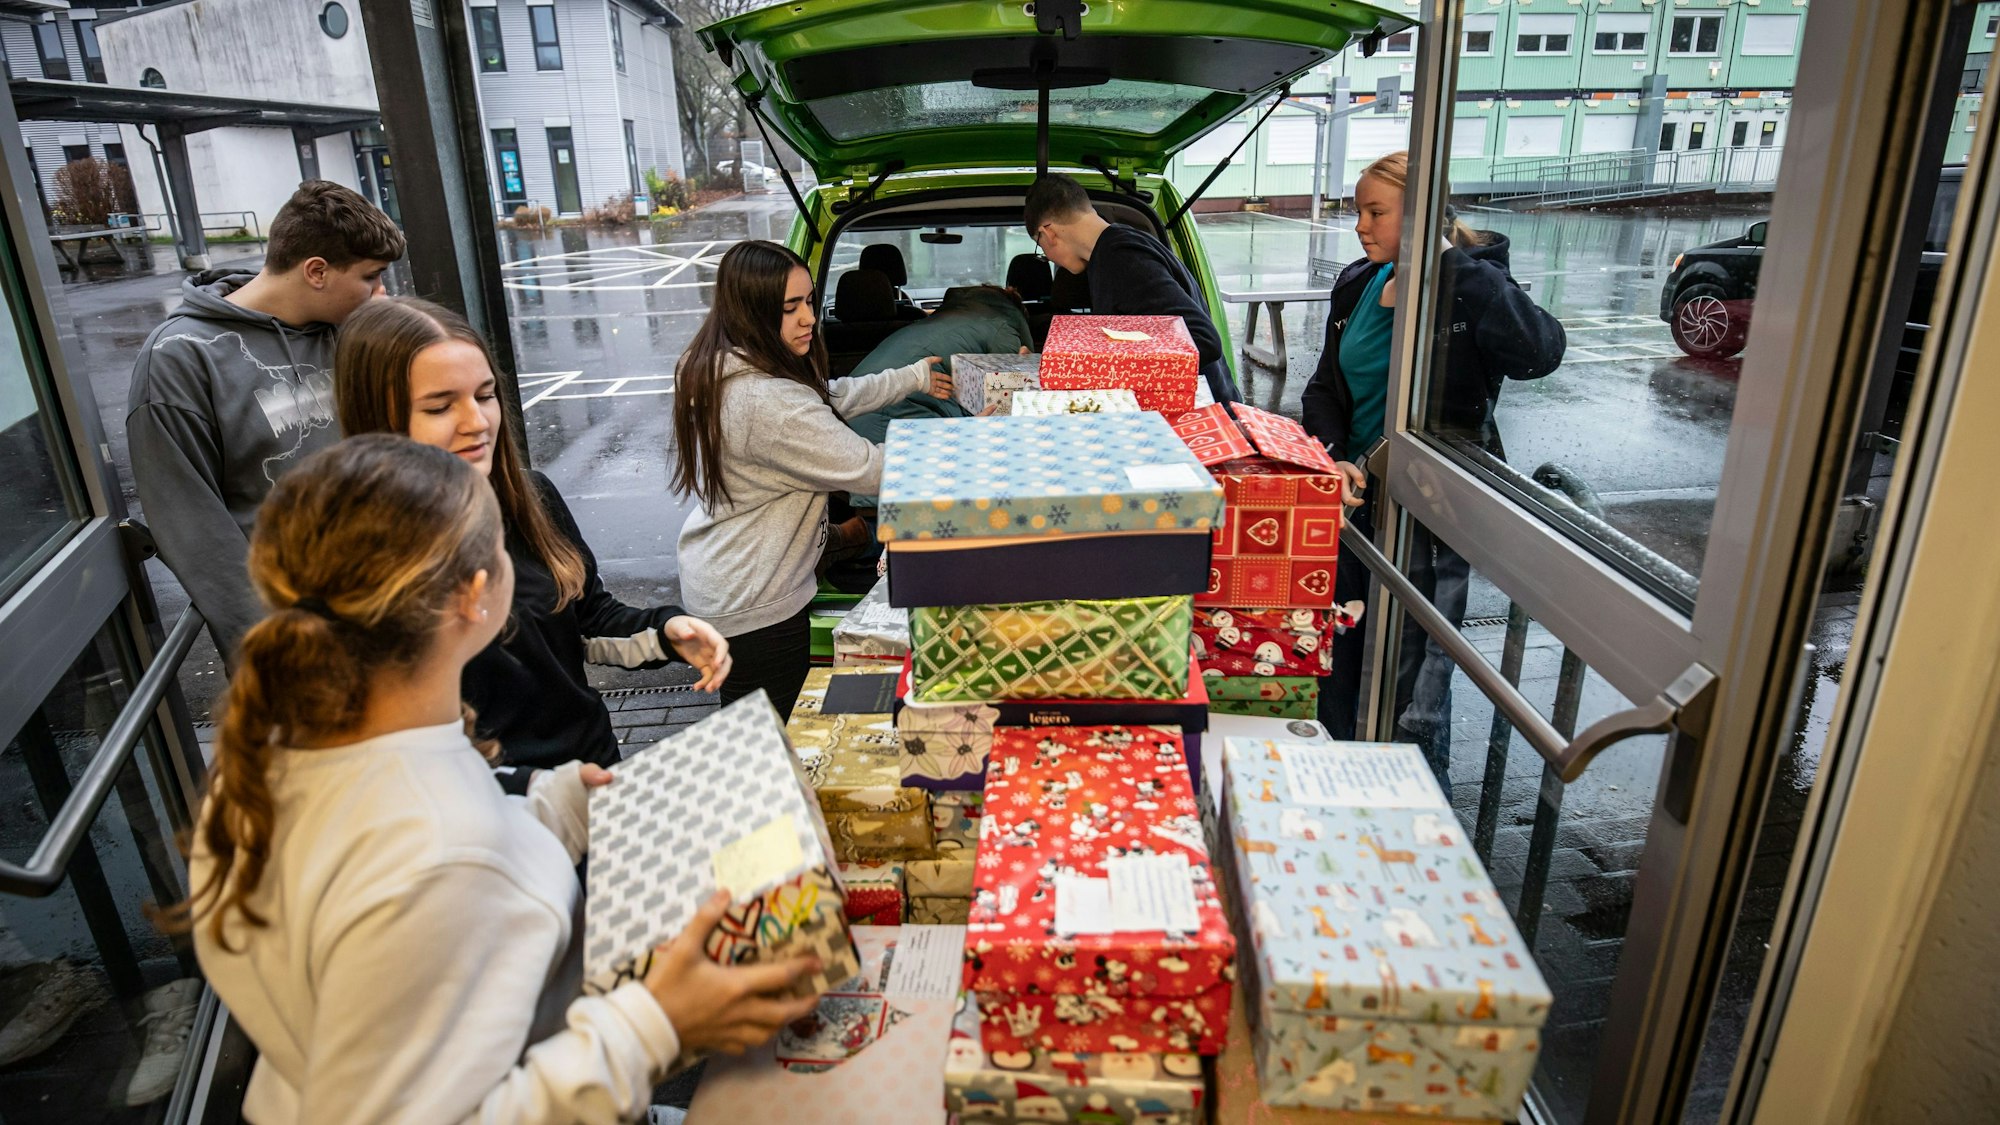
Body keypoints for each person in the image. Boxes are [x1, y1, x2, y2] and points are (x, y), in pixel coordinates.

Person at [173, 435, 820, 1123]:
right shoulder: (445, 857)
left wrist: (550, 806)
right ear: (477, 595)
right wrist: (656, 1024)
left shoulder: (280, 759)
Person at [334, 297, 730, 776]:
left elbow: (586, 621)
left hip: (593, 772)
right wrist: (539, 792)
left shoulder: (530, 498)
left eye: (484, 396)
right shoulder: (356, 565)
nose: (476, 422)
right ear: (377, 419)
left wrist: (667, 633)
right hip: (496, 814)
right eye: (440, 406)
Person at [1301, 150, 1565, 791]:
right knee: (1339, 656)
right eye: (1357, 211)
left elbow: (1539, 353)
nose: (1360, 226)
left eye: (1376, 212)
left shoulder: (1472, 284)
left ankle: (1420, 809)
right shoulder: (1359, 284)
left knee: (1414, 686)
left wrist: (1447, 262)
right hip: (1356, 506)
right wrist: (1334, 455)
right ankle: (1341, 791)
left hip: (1430, 514)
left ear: (1422, 215)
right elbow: (1324, 387)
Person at [128, 180, 405, 666]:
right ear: (316, 271)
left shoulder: (345, 332)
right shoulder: (180, 359)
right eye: (372, 277)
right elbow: (195, 530)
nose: (382, 293)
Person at [672, 240, 950, 720]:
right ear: (751, 312)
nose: (808, 319)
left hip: (728, 576)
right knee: (769, 738)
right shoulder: (768, 404)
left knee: (752, 724)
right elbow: (873, 469)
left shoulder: (722, 366)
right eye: (789, 308)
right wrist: (966, 445)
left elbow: (827, 397)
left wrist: (912, 377)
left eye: (809, 301)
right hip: (754, 600)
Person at [1023, 172, 1240, 404]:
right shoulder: (1116, 248)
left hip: (1202, 414)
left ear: (1048, 233)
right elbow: (1137, 339)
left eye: (1040, 246)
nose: (1048, 257)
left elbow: (1203, 340)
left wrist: (1096, 371)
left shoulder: (1122, 259)